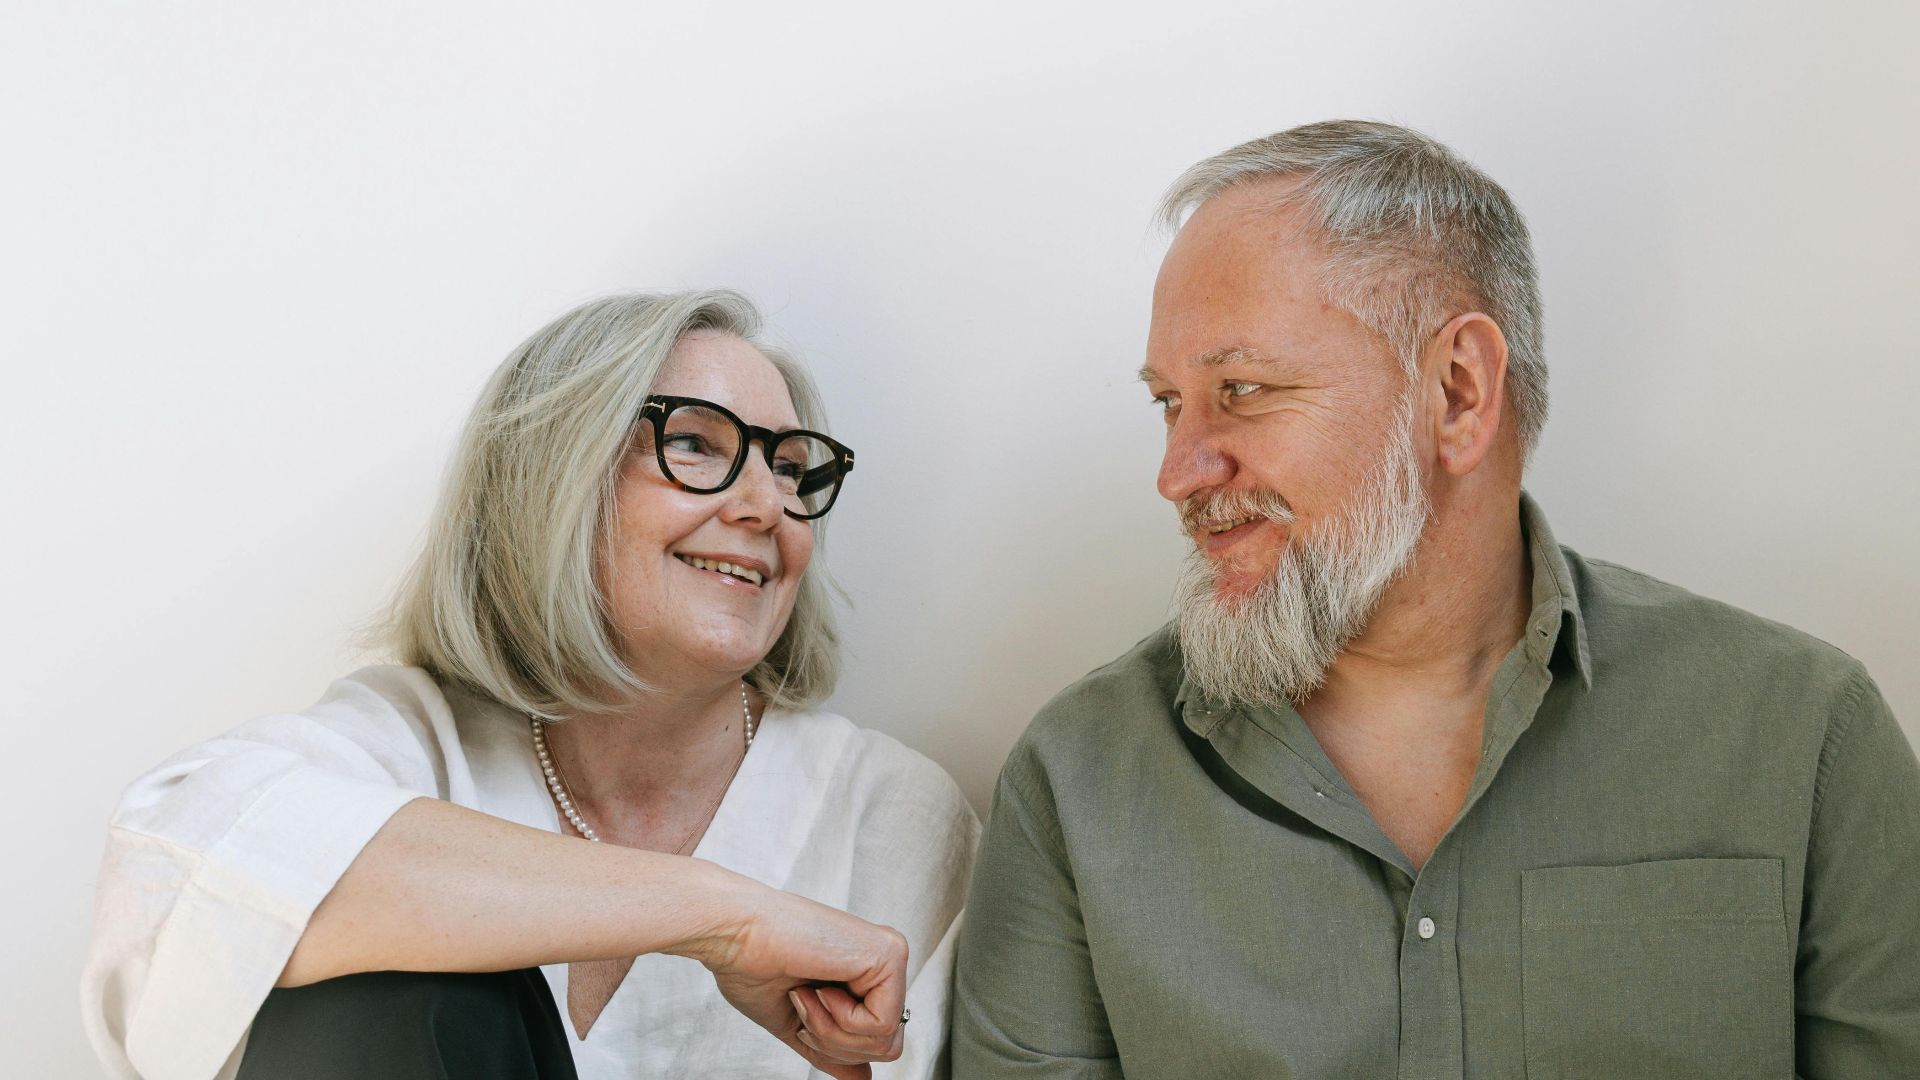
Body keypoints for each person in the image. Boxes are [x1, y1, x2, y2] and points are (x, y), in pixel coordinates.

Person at [953, 120, 1920, 1078]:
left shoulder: (1804, 739)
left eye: (1241, 389)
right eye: (1169, 402)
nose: (1178, 472)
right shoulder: (1076, 782)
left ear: (1458, 392)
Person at [82, 290, 979, 1080]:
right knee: (384, 978)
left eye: (788, 467)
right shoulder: (412, 744)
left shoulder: (887, 814)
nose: (764, 508)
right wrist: (718, 915)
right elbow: (171, 869)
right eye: (698, 446)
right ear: (552, 482)